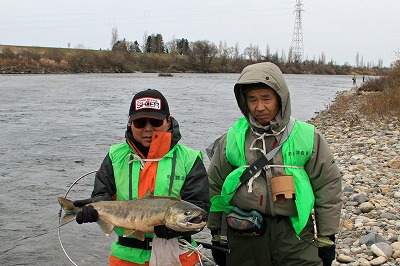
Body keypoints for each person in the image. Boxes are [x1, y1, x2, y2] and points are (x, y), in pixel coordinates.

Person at [207, 62, 342, 266]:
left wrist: (326, 236)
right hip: (243, 233)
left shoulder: (308, 136)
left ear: (281, 98)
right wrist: (216, 232)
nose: (259, 107)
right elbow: (214, 185)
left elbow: (328, 187)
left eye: (266, 98)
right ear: (244, 102)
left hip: (295, 233)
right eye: (252, 100)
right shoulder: (232, 138)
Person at [73, 89, 210, 266]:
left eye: (155, 121)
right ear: (130, 124)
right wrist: (94, 209)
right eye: (139, 123)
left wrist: (171, 230)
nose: (148, 128)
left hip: (178, 254)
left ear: (168, 121)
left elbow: (200, 208)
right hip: (125, 256)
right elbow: (102, 194)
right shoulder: (115, 156)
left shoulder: (190, 159)